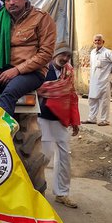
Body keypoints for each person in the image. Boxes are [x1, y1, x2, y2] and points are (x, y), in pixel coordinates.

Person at [0, 0, 56, 117]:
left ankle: (2, 134)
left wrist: (17, 70)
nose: (11, 2)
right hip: (3, 69)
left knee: (10, 93)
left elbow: (46, 53)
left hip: (32, 72)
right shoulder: (1, 19)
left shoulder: (41, 18)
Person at [37, 45, 80, 208]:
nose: (65, 59)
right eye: (63, 55)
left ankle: (62, 193)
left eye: (68, 56)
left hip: (61, 120)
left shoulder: (68, 72)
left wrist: (75, 121)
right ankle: (37, 189)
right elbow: (37, 91)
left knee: (64, 156)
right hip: (43, 118)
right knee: (45, 156)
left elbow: (72, 96)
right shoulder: (42, 69)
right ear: (55, 54)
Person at [83, 34, 112, 126]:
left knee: (104, 101)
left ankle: (105, 120)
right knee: (92, 99)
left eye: (99, 40)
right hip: (94, 81)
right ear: (93, 42)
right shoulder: (92, 52)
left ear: (103, 42)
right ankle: (92, 118)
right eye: (95, 41)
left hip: (104, 81)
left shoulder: (108, 52)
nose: (97, 42)